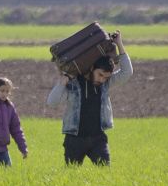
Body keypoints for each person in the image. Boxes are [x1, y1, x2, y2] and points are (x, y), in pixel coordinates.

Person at [47, 30, 132, 166]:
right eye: (100, 75)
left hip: (98, 138)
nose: (102, 80)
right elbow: (52, 103)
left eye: (106, 77)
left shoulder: (105, 84)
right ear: (92, 68)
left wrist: (119, 44)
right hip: (74, 138)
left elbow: (127, 73)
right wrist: (62, 83)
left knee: (105, 174)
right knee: (71, 177)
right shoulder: (73, 84)